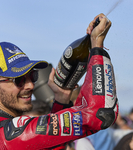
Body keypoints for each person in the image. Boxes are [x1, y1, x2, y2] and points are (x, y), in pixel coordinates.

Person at [0, 13, 118, 150]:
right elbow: (100, 114)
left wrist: (61, 100)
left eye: (32, 76)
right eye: (18, 80)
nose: (31, 85)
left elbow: (52, 146)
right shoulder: (8, 136)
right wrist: (97, 46)